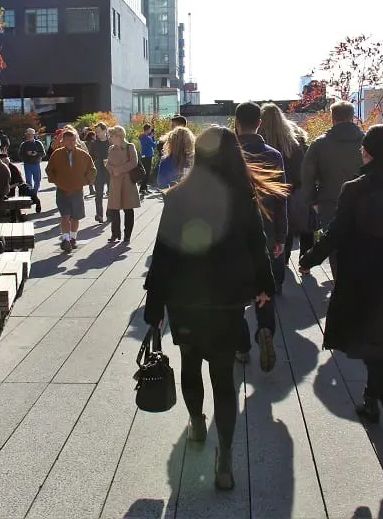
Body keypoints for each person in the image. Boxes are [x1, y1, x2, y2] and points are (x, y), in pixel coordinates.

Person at [144, 126, 284, 491]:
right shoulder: (242, 197)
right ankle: (224, 457)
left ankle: (195, 423)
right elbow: (257, 246)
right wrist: (265, 286)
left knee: (190, 363)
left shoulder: (177, 197)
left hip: (184, 300)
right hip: (226, 302)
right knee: (224, 381)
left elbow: (163, 254)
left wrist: (155, 304)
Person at [299, 124, 383, 461]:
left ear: (367, 151)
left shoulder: (354, 190)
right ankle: (370, 403)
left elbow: (336, 233)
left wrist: (309, 258)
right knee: (381, 350)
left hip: (361, 287)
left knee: (375, 357)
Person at [234, 101, 287, 371]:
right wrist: (281, 236)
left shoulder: (228, 154)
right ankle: (265, 328)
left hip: (233, 234)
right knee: (264, 284)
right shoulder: (274, 155)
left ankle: (242, 347)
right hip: (265, 230)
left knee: (234, 293)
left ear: (237, 122)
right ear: (259, 124)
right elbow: (280, 198)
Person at [301, 100, 365, 278]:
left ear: (332, 118)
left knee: (334, 245)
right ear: (352, 117)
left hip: (329, 203)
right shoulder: (366, 141)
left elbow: (307, 176)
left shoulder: (320, 144)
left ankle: (340, 284)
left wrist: (313, 201)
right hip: (363, 202)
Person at [258, 104, 312, 265]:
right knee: (299, 224)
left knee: (277, 225)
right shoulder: (295, 137)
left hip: (268, 190)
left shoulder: (261, 139)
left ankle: (282, 259)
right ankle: (304, 262)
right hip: (294, 188)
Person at [46, 128, 96, 252]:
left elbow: (92, 169)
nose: (70, 143)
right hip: (62, 190)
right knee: (65, 216)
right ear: (63, 141)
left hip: (77, 190)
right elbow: (49, 169)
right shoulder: (57, 154)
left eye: (73, 140)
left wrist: (86, 181)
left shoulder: (82, 154)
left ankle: (73, 238)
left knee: (75, 217)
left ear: (76, 141)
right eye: (67, 140)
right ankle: (65, 239)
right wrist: (55, 180)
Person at [105, 125, 141, 243]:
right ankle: (115, 234)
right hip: (115, 182)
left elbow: (134, 163)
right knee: (114, 209)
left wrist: (119, 170)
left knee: (128, 209)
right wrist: (111, 169)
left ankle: (127, 235)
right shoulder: (111, 148)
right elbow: (108, 163)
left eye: (112, 136)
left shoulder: (130, 147)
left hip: (127, 183)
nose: (110, 138)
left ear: (119, 136)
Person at [86, 122, 111, 223]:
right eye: (96, 132)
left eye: (99, 132)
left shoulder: (111, 143)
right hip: (98, 171)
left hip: (110, 171)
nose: (97, 134)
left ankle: (110, 214)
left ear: (105, 131)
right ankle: (99, 215)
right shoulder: (94, 144)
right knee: (99, 194)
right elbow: (89, 157)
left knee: (111, 194)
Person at [18, 127, 46, 213]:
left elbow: (43, 153)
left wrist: (36, 153)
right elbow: (20, 154)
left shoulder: (38, 143)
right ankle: (32, 195)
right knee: (28, 181)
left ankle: (34, 194)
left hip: (36, 164)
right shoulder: (24, 144)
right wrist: (27, 154)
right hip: (27, 164)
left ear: (34, 135)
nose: (29, 136)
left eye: (31, 135)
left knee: (37, 180)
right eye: (28, 135)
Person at [138, 123, 157, 195]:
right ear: (148, 129)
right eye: (150, 129)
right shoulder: (147, 137)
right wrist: (152, 137)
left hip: (144, 156)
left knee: (145, 172)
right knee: (147, 173)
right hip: (148, 156)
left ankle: (144, 188)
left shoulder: (142, 136)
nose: (151, 130)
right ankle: (142, 189)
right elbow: (154, 145)